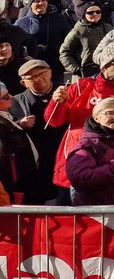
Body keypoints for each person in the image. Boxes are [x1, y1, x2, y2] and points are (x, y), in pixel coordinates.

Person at [46, 38, 114, 198]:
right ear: (104, 65)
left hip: (112, 157)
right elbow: (54, 121)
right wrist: (57, 102)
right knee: (70, 208)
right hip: (77, 154)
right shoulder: (80, 87)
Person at [11, 59, 66, 203]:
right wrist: (19, 125)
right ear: (23, 82)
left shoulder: (66, 92)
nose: (39, 78)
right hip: (35, 164)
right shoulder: (16, 102)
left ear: (50, 73)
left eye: (42, 73)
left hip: (64, 155)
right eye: (32, 77)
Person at [0, 80, 38, 203]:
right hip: (13, 186)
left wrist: (18, 125)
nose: (11, 97)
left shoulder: (5, 118)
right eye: (6, 96)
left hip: (23, 182)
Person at [60, 1, 110, 78]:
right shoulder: (78, 31)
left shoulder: (108, 27)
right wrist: (76, 70)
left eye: (98, 11)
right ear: (84, 14)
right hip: (85, 74)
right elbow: (64, 52)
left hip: (106, 71)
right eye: (90, 12)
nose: (95, 14)